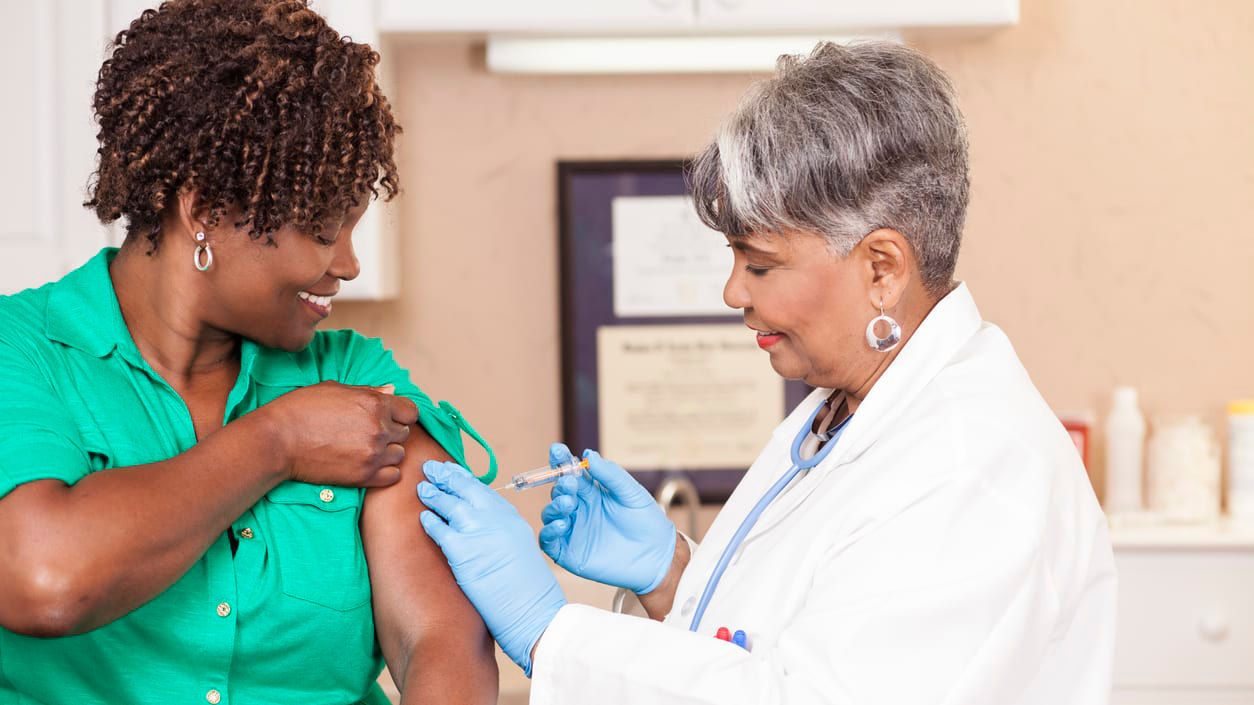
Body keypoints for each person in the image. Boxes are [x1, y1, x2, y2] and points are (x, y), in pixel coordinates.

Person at [417, 41, 1116, 704]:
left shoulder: (974, 469)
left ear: (882, 268)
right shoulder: (844, 408)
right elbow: (785, 641)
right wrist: (674, 576)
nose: (733, 293)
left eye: (760, 263)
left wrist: (550, 633)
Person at [0, 2, 498, 703]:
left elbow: (441, 639)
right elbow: (44, 578)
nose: (349, 263)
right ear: (203, 210)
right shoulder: (21, 350)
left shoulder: (352, 376)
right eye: (325, 229)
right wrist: (278, 441)